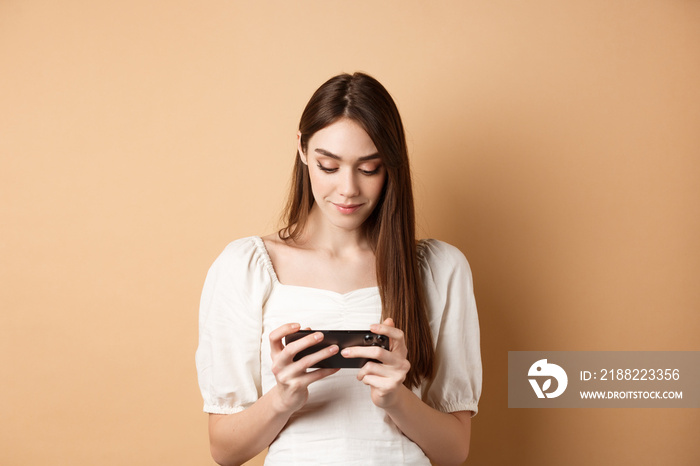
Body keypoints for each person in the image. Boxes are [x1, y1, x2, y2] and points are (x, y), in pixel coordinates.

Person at [196, 72, 482, 466]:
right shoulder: (245, 267)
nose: (348, 189)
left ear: (392, 165)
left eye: (369, 169)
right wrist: (283, 398)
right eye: (328, 166)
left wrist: (396, 399)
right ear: (301, 149)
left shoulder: (439, 269)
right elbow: (224, 451)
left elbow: (455, 452)